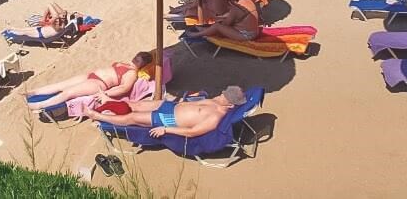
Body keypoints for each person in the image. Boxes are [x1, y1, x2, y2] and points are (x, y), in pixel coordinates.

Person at [85, 86, 247, 138]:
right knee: (137, 104)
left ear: (230, 105)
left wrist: (166, 129)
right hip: (171, 106)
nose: (221, 95)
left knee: (132, 117)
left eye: (225, 96)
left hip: (169, 119)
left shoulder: (216, 117)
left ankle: (96, 115)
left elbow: (192, 132)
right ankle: (108, 100)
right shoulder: (216, 101)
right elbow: (196, 104)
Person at [25, 51, 153, 110]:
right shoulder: (125, 64)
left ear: (143, 64)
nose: (135, 59)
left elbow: (124, 88)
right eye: (136, 57)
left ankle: (39, 105)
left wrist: (105, 94)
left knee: (68, 93)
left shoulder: (132, 73)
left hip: (99, 84)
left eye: (138, 60)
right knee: (60, 85)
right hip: (90, 76)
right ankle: (32, 92)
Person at [192, 0, 261, 41]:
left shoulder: (235, 9)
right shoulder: (248, 1)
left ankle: (197, 34)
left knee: (217, 26)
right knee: (220, 24)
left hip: (246, 35)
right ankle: (203, 29)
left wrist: (218, 19)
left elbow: (225, 24)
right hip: (255, 32)